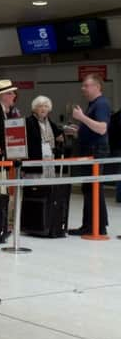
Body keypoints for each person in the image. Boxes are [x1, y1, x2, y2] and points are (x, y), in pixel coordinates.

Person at [67, 73, 111, 236]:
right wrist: (79, 130)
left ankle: (95, 225)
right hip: (90, 150)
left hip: (96, 151)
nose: (83, 88)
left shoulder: (101, 104)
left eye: (86, 85)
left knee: (93, 187)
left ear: (97, 87)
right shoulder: (93, 104)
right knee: (90, 188)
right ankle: (93, 224)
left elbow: (101, 128)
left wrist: (82, 118)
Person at [23, 96, 64, 178]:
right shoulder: (28, 122)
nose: (43, 109)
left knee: (48, 186)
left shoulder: (50, 123)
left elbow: (60, 136)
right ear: (34, 109)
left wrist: (61, 138)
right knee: (36, 187)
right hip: (35, 161)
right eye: (40, 106)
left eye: (46, 106)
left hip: (49, 160)